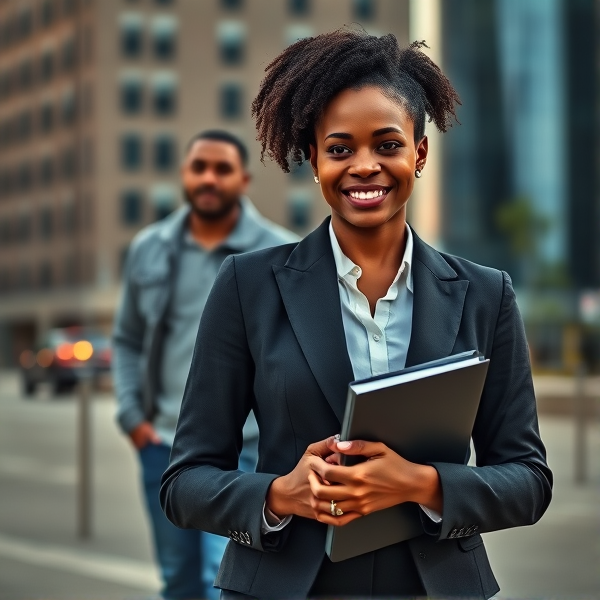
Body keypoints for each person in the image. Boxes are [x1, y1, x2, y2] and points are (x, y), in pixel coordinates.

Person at [160, 30, 552, 599]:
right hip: (284, 587)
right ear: (313, 159)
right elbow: (185, 482)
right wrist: (281, 495)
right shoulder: (248, 286)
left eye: (387, 145)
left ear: (419, 152)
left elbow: (528, 480)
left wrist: (418, 484)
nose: (364, 166)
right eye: (340, 148)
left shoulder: (486, 294)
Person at [113, 129, 299, 600]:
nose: (209, 178)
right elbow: (128, 340)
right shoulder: (149, 248)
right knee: (177, 578)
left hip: (250, 453)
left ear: (244, 179)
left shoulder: (282, 254)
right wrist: (134, 420)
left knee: (226, 579)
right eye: (200, 168)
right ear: (184, 175)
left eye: (222, 169)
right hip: (164, 445)